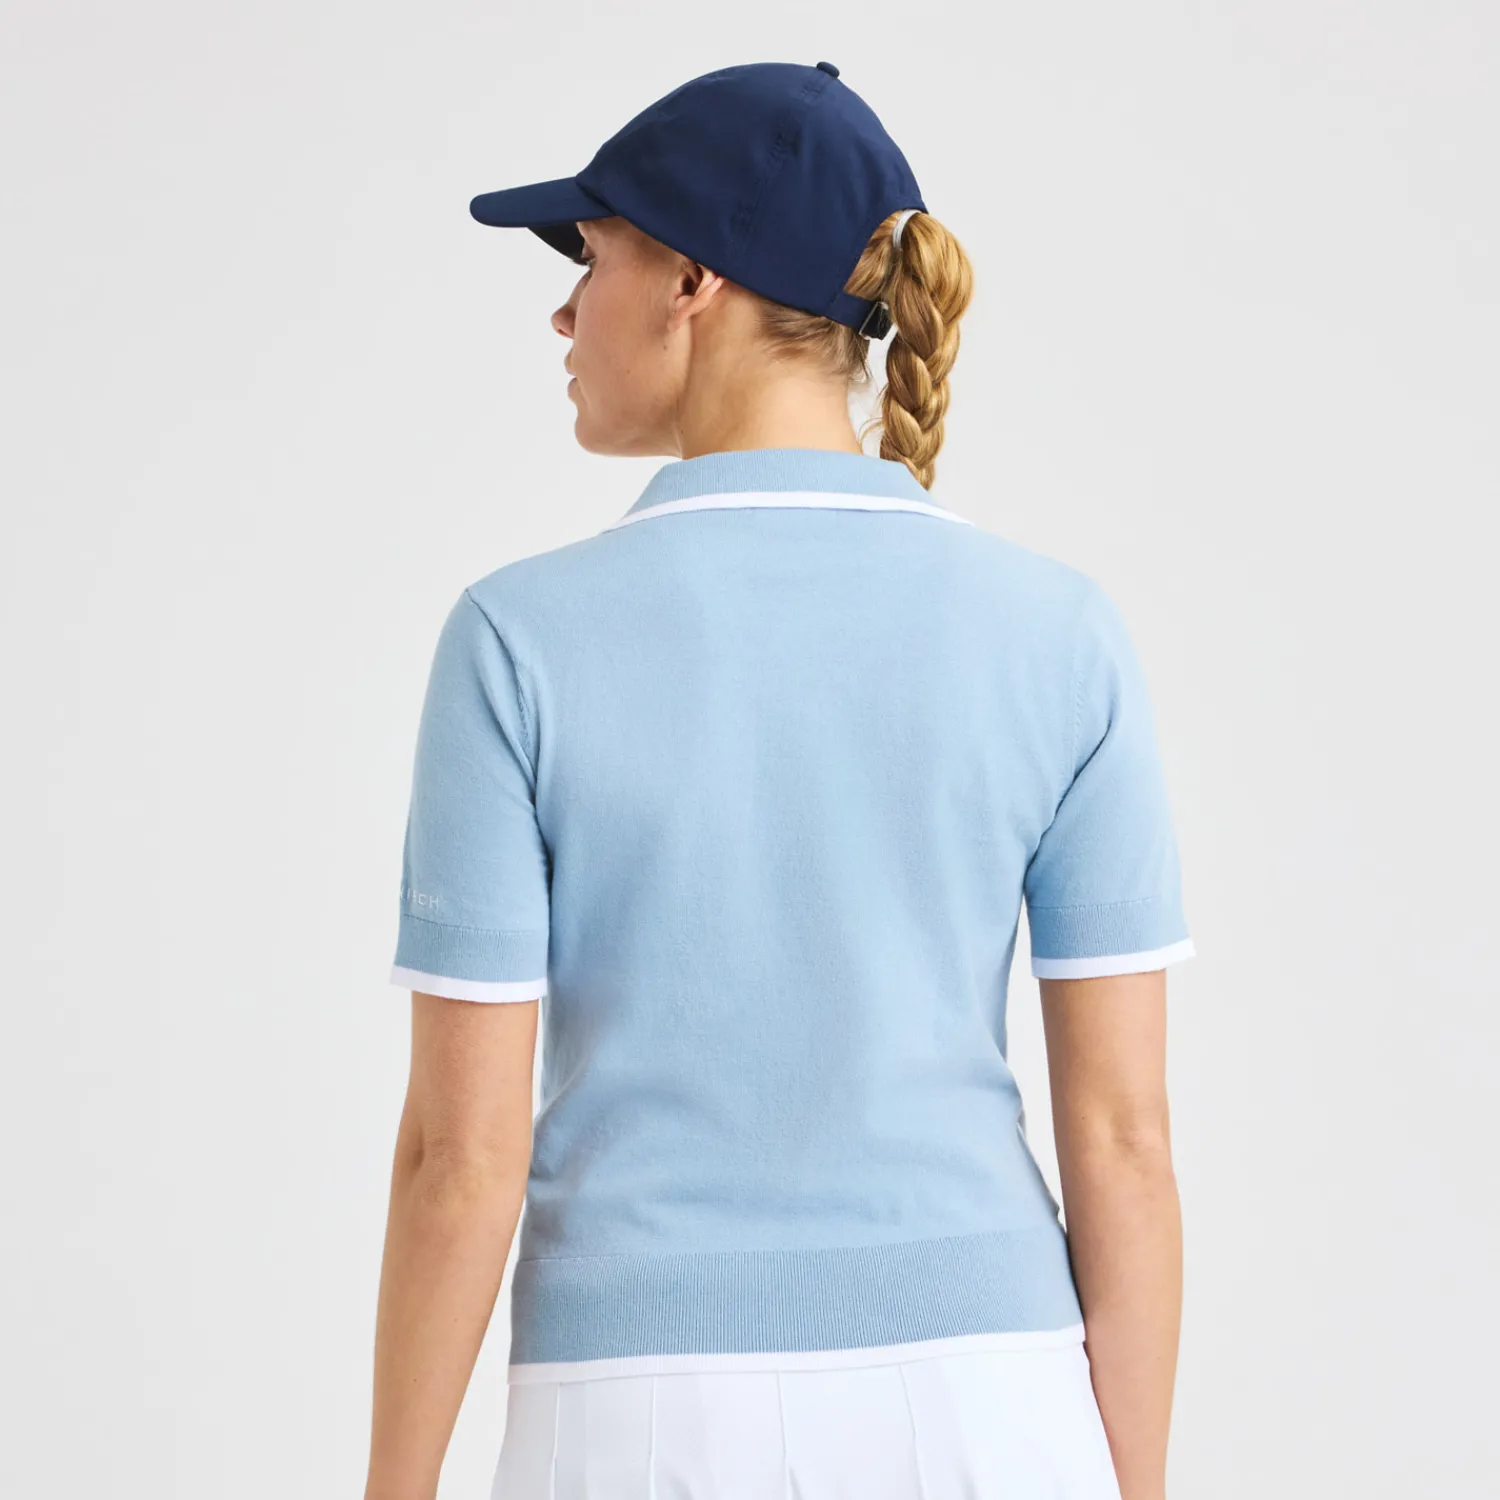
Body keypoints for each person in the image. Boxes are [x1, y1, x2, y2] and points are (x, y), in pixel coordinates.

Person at [364, 60, 1194, 1500]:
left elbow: (459, 1154)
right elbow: (1123, 1138)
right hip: (992, 1396)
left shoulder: (516, 638)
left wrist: (392, 1486)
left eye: (590, 256)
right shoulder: (1059, 631)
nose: (565, 312)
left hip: (637, 1406)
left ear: (693, 279)